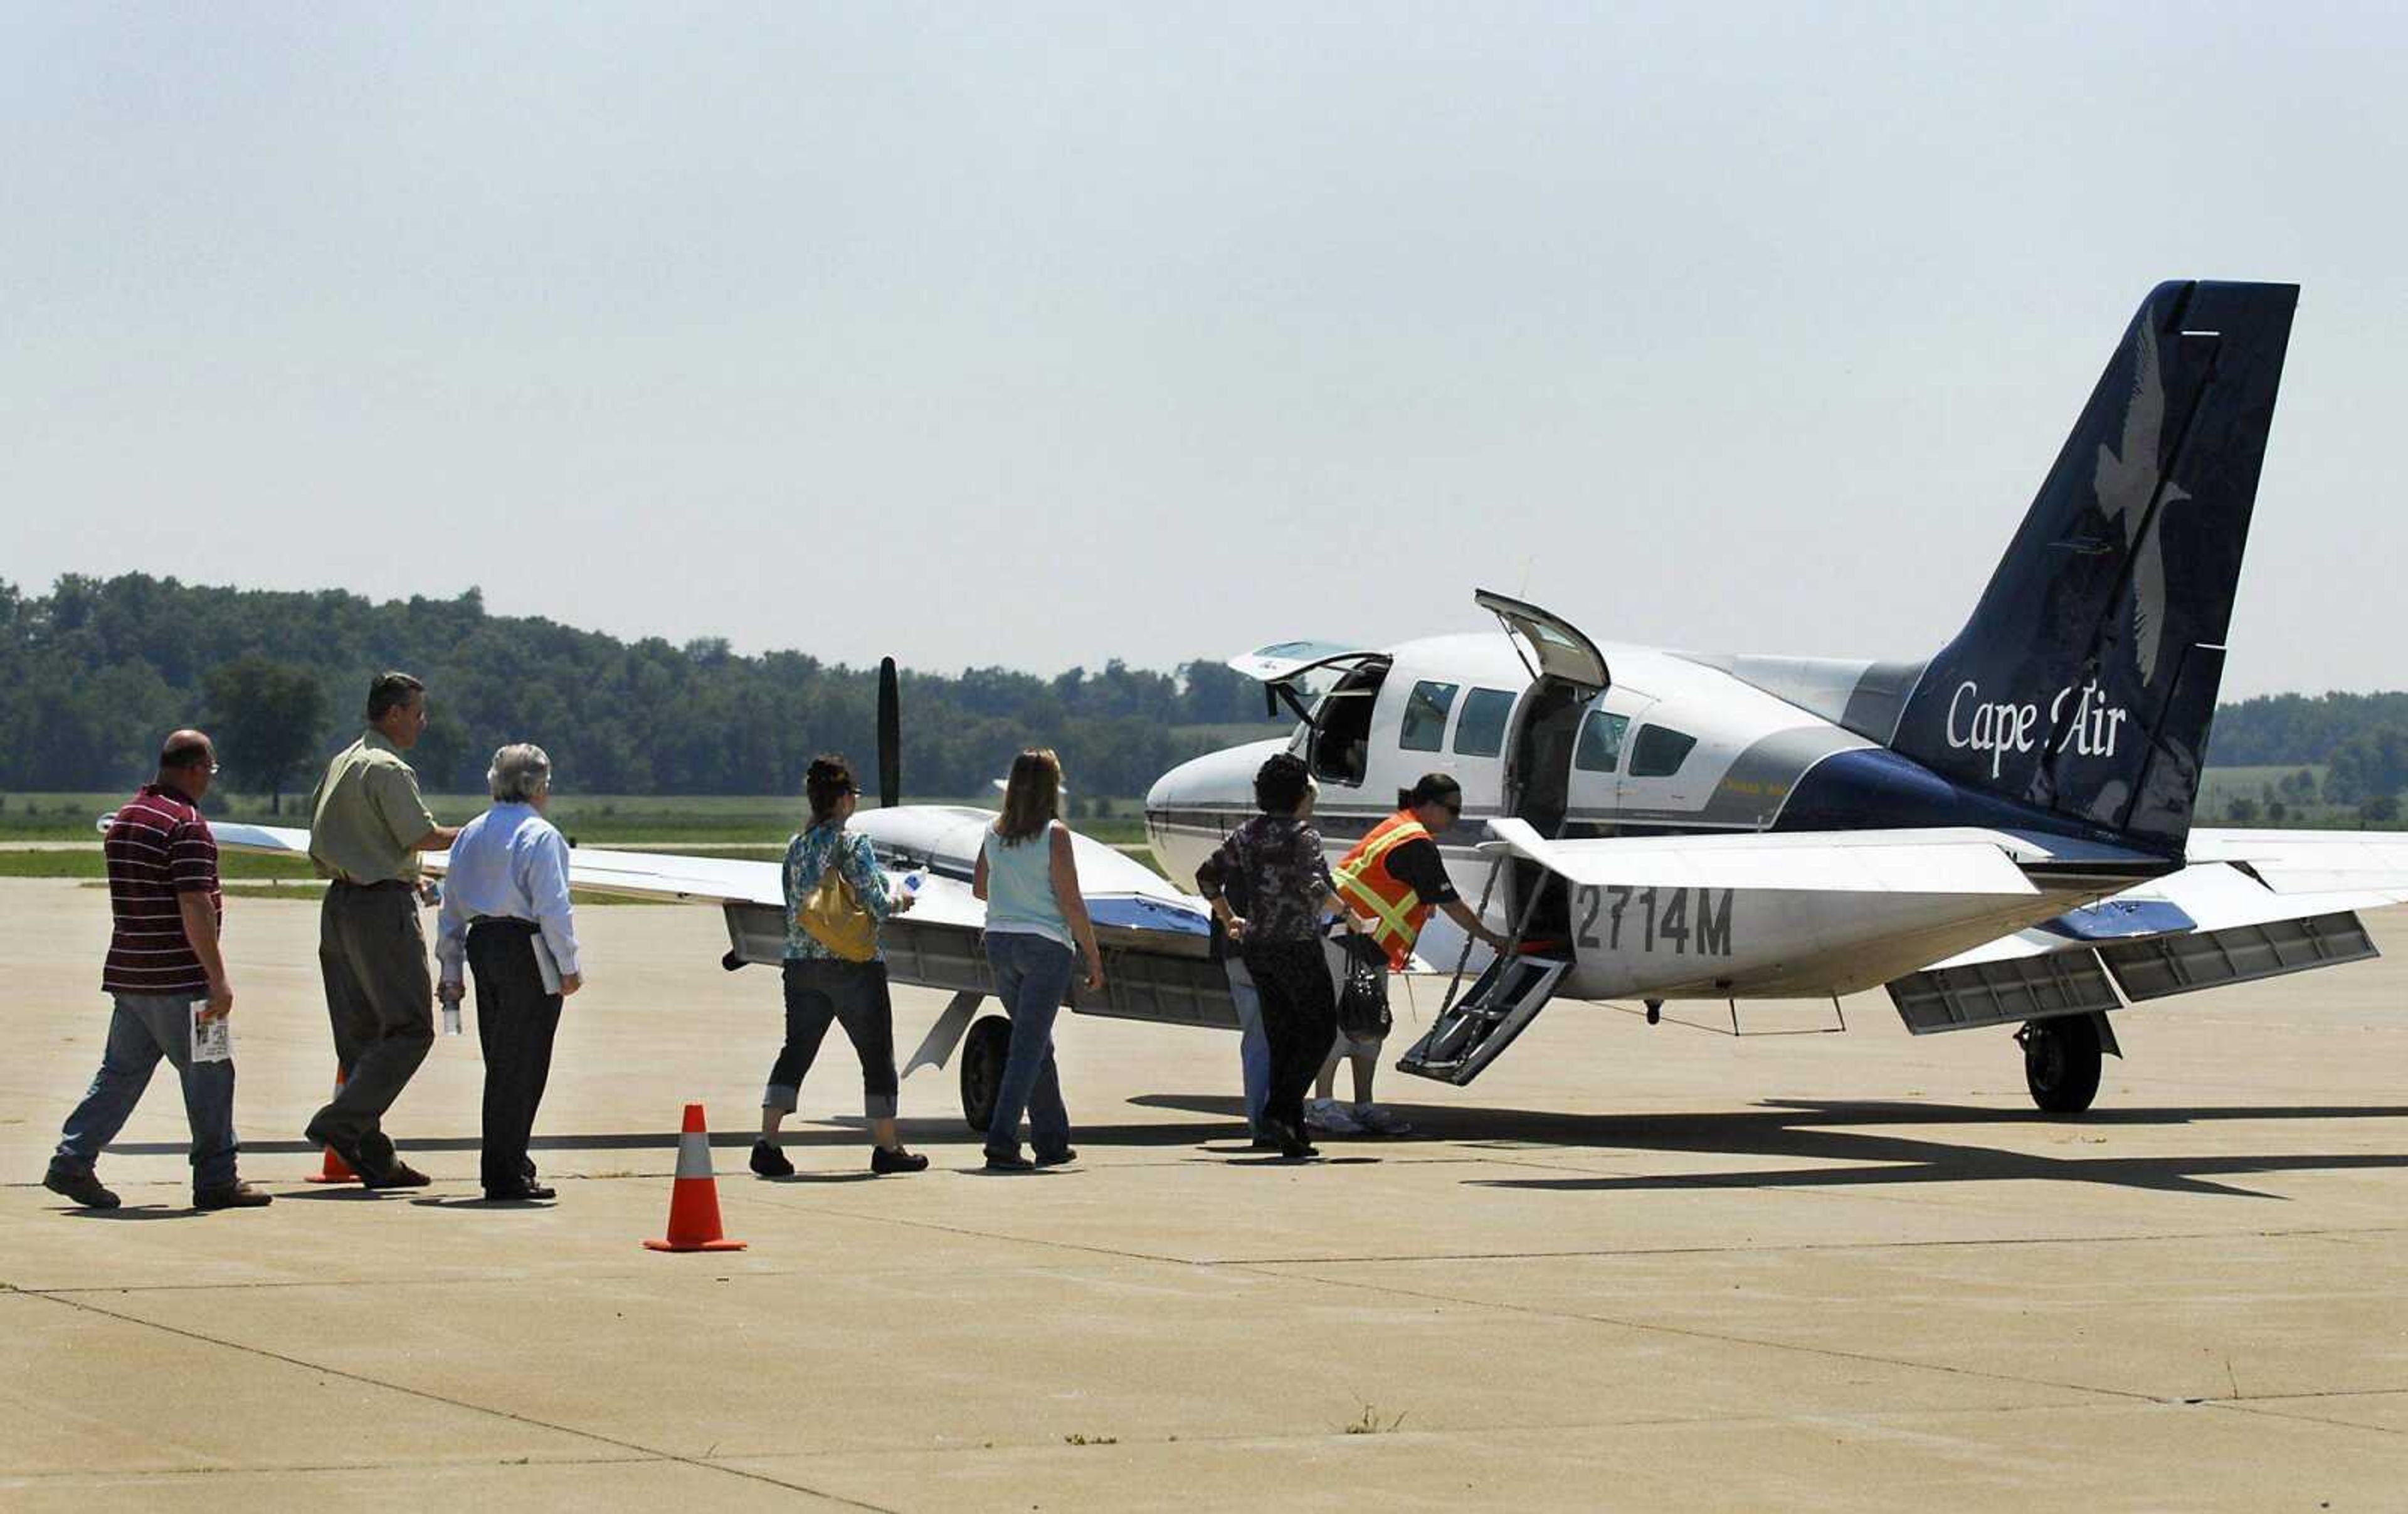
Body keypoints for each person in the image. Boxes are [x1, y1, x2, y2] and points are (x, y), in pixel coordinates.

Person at [45, 731, 270, 1212]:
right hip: (183, 980)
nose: (211, 778)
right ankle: (217, 1179)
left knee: (119, 1074)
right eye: (211, 769)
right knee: (212, 1077)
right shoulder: (186, 824)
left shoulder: (127, 817)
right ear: (193, 769)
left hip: (132, 976)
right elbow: (195, 904)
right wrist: (218, 978)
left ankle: (73, 1158)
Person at [302, 672, 459, 1188]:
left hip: (338, 905)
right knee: (411, 1028)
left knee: (360, 1039)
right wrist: (487, 828)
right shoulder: (388, 768)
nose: (421, 723)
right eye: (417, 713)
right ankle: (340, 1124)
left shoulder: (343, 761)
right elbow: (423, 835)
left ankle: (371, 1156)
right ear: (394, 714)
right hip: (380, 907)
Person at [752, 754, 927, 1177]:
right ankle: (887, 1145)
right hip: (854, 965)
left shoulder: (796, 847)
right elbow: (876, 903)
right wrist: (903, 897)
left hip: (800, 964)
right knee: (876, 1054)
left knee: (796, 1051)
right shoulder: (852, 844)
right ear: (845, 799)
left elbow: (792, 903)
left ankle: (768, 1141)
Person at [1318, 772, 1513, 1136]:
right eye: (1452, 811)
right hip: (1346, 938)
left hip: (1366, 942)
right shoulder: (1415, 843)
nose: (1456, 820)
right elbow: (1451, 902)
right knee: (1341, 1024)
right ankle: (1323, 1104)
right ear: (1428, 805)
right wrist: (1491, 937)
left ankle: (1364, 1105)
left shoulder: (1399, 828)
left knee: (1368, 1024)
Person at [1195, 754, 1361, 1161]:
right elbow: (1314, 885)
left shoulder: (1246, 834)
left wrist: (1230, 918)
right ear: (1303, 795)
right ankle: (1278, 1111)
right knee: (1320, 1031)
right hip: (1297, 944)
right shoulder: (1304, 835)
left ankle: (1294, 1130)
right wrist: (1349, 915)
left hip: (1257, 946)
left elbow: (1207, 875)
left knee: (1283, 1036)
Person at [435, 744, 582, 1203]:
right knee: (523, 1064)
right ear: (537, 786)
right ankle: (504, 1171)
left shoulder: (472, 833)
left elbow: (451, 906)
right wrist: (570, 965)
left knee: (502, 1061)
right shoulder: (540, 836)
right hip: (527, 948)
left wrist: (451, 966)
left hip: (483, 945)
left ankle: (513, 1159)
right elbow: (553, 907)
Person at [971, 749, 1106, 1172]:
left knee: (1036, 1043)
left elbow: (980, 888)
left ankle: (1052, 1140)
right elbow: (1071, 901)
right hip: (1045, 946)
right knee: (1028, 1048)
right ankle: (1002, 1139)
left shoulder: (993, 833)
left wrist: (1013, 892)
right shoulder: (1055, 835)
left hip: (999, 941)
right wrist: (1093, 955)